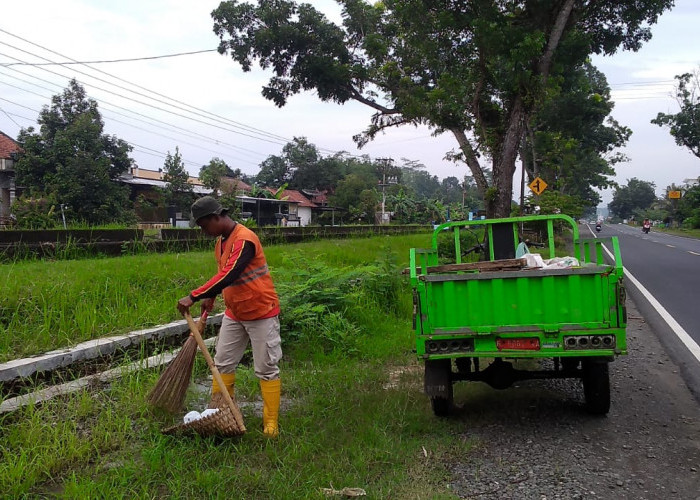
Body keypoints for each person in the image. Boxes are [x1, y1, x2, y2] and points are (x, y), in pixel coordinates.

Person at [177, 196, 282, 438]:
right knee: (222, 362)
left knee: (266, 367)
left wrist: (193, 295)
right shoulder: (220, 242)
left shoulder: (244, 239)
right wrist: (210, 298)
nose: (204, 231)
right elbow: (221, 275)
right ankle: (222, 411)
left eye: (204, 226)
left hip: (261, 312)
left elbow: (230, 274)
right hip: (235, 313)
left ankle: (271, 424)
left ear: (216, 217)